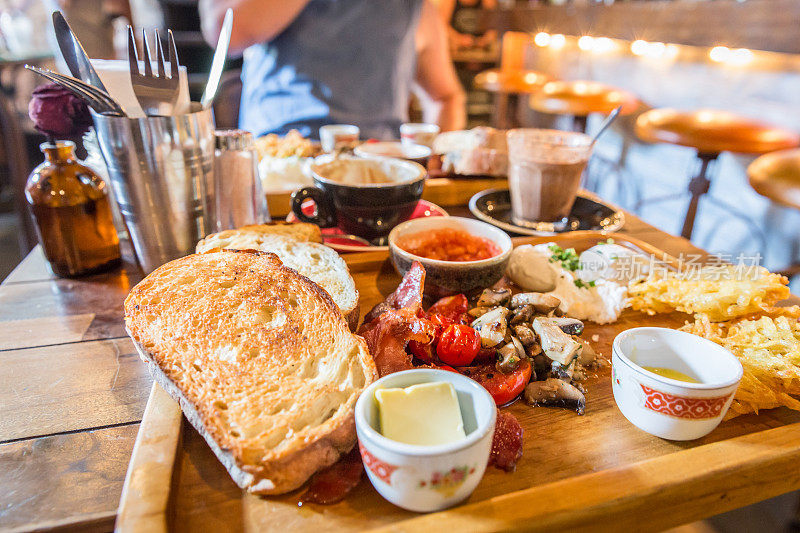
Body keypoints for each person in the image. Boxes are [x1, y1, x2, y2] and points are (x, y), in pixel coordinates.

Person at [199, 0, 466, 139]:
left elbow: (445, 97)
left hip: (379, 173)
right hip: (278, 163)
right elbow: (224, 30)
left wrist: (434, 157)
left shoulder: (411, 8)